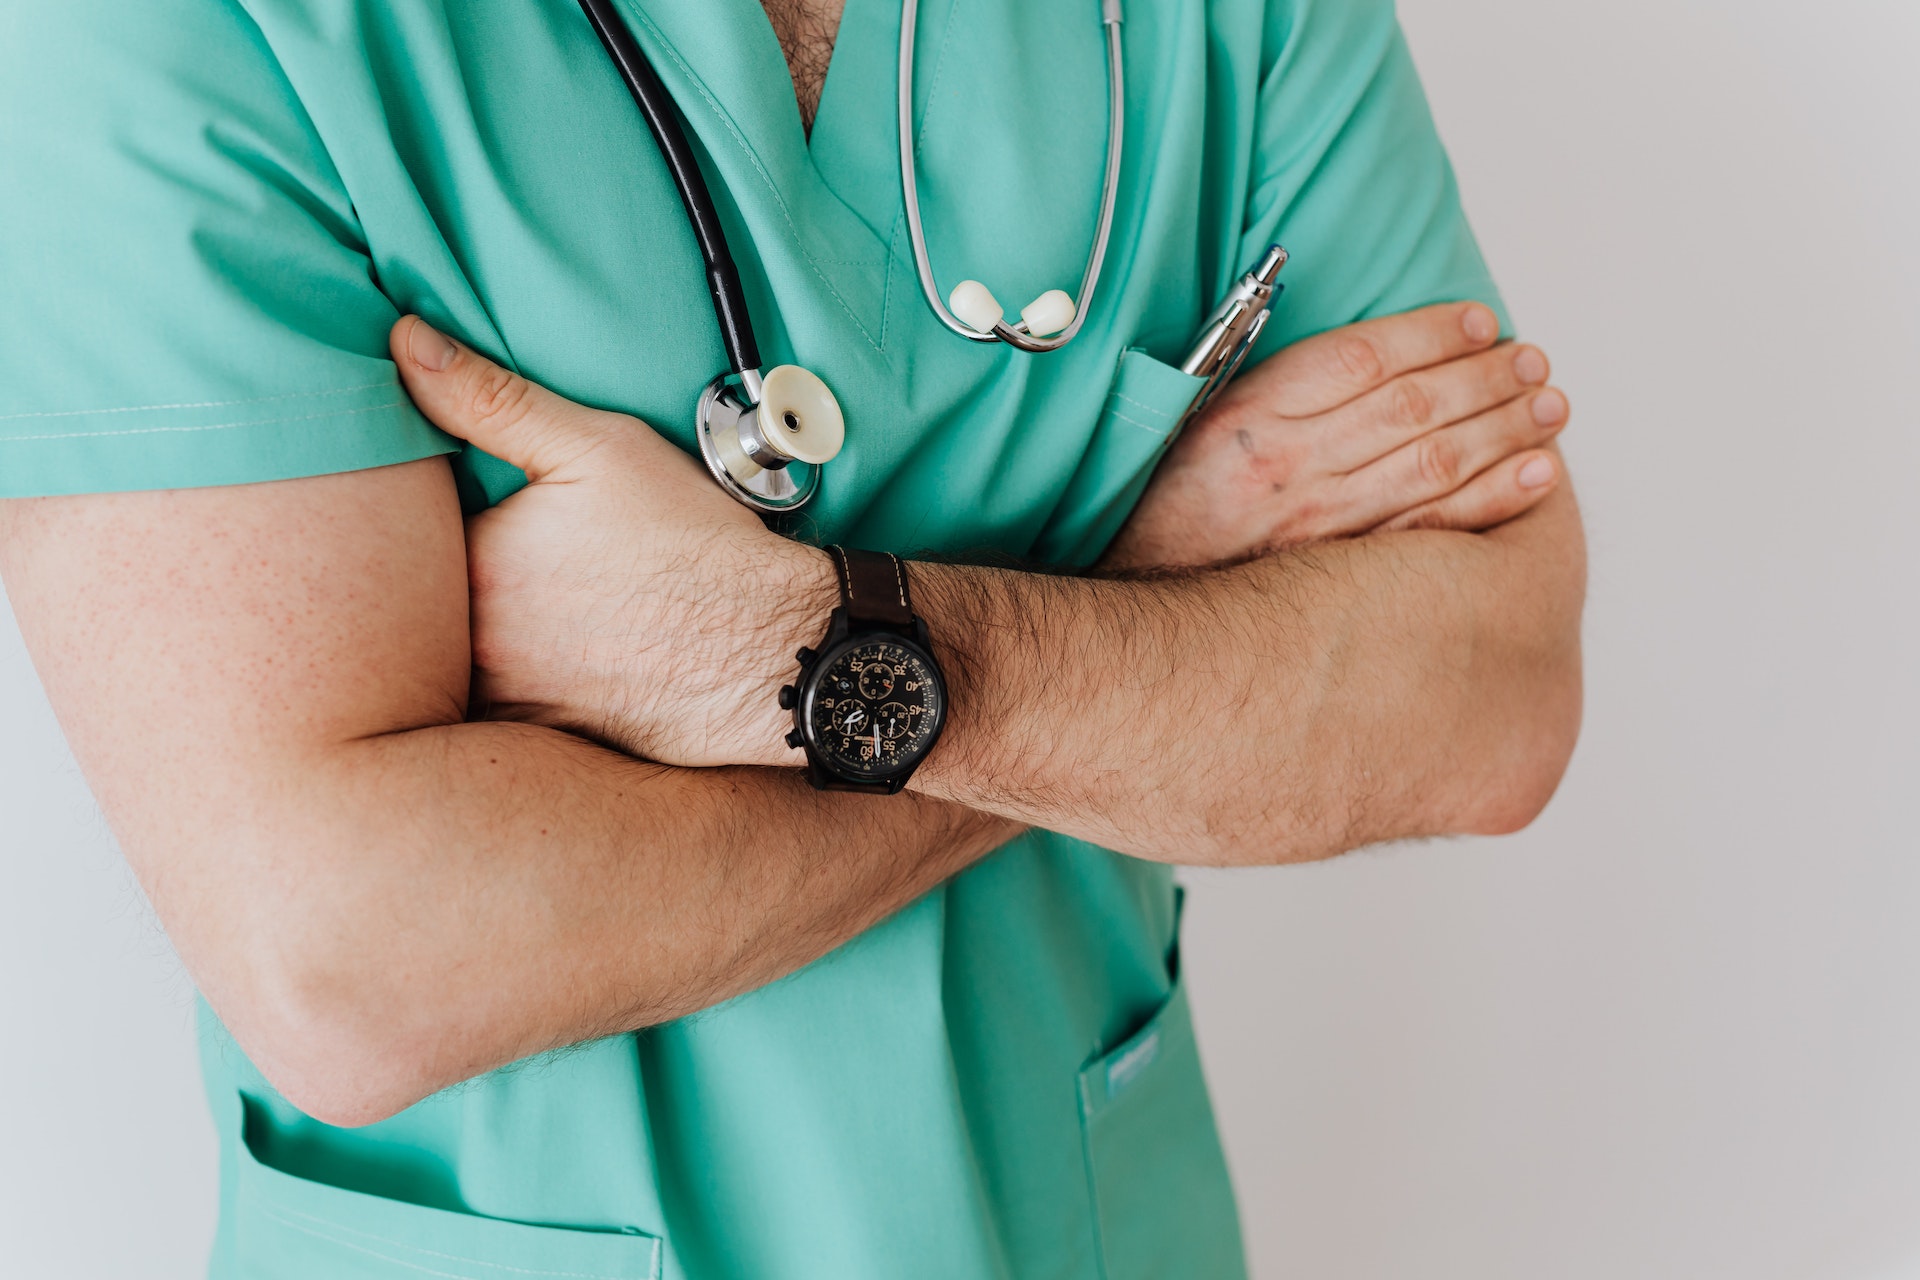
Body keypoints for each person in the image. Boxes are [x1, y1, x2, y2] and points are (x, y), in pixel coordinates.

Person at [0, 1, 1584, 1277]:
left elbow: (1490, 694)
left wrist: (782, 647)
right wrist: (1136, 563)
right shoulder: (168, 26)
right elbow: (353, 962)